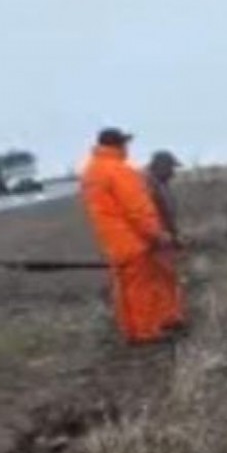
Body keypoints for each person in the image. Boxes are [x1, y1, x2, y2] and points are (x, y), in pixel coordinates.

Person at [79, 128, 184, 344]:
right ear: (118, 145)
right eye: (125, 143)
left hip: (112, 241)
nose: (127, 148)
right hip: (133, 240)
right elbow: (137, 209)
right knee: (142, 287)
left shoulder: (91, 171)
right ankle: (147, 331)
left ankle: (133, 332)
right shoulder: (119, 170)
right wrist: (157, 234)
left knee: (126, 290)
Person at [145, 150, 183, 244]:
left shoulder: (162, 184)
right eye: (170, 167)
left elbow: (167, 212)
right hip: (155, 238)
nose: (172, 171)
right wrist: (160, 234)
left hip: (164, 236)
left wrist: (174, 233)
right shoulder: (147, 185)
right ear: (162, 165)